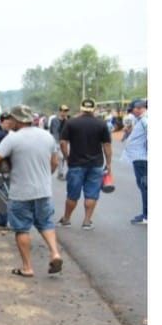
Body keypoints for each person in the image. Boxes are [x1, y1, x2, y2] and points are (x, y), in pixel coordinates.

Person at [0, 104, 63, 277]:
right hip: (44, 190)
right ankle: (55, 253)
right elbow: (55, 163)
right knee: (45, 223)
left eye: (11, 119)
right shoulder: (47, 136)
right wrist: (44, 177)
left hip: (20, 192)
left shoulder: (12, 138)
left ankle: (27, 267)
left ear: (16, 120)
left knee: (22, 229)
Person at [57, 98, 112, 230]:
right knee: (92, 194)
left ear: (81, 108)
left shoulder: (71, 123)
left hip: (76, 164)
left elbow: (63, 142)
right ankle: (87, 221)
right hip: (96, 164)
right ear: (94, 109)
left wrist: (67, 158)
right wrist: (108, 164)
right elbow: (107, 146)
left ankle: (66, 219)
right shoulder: (101, 124)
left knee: (72, 195)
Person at [122, 99, 147, 225]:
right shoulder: (140, 120)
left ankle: (147, 215)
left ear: (139, 108)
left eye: (133, 109)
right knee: (144, 186)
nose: (132, 112)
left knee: (145, 187)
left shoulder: (145, 119)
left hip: (142, 158)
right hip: (139, 158)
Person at [48, 104, 70, 180]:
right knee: (60, 157)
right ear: (60, 111)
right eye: (63, 111)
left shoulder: (68, 121)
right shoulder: (54, 120)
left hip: (65, 141)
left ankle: (61, 172)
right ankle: (60, 173)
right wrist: (58, 141)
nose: (64, 113)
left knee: (63, 157)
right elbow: (54, 131)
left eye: (66, 111)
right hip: (56, 141)